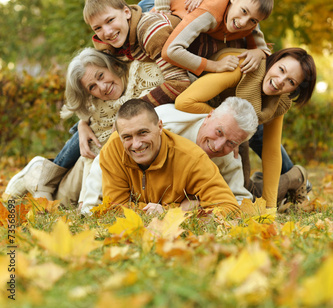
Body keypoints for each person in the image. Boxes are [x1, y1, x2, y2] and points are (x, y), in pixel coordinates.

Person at [3, 49, 164, 206]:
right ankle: (38, 173)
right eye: (92, 87)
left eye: (101, 76)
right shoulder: (98, 110)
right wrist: (83, 202)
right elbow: (92, 154)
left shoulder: (144, 78)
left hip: (113, 174)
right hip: (85, 170)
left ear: (113, 66)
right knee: (63, 201)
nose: (102, 87)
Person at [175, 47, 317, 209]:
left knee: (242, 193)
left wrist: (269, 208)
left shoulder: (279, 102)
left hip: (238, 133)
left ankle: (294, 177)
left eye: (291, 82)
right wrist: (228, 127)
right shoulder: (242, 66)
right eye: (281, 69)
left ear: (295, 90)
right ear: (273, 61)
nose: (279, 81)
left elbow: (271, 152)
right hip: (213, 124)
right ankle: (288, 177)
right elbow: (184, 102)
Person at [99, 99, 240, 216]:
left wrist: (172, 215)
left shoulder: (191, 158)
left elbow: (229, 208)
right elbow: (115, 209)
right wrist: (176, 210)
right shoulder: (113, 149)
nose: (136, 144)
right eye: (127, 137)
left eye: (143, 132)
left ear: (160, 127)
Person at [84, 0, 191, 107]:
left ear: (126, 12)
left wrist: (134, 108)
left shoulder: (150, 33)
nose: (107, 32)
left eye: (110, 20)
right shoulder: (124, 39)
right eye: (98, 28)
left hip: (202, 66)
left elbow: (179, 83)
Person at [162, 0, 273, 76]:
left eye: (253, 20)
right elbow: (170, 51)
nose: (243, 23)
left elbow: (264, 50)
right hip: (167, 3)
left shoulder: (250, 25)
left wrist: (259, 53)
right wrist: (215, 66)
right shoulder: (209, 12)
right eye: (244, 11)